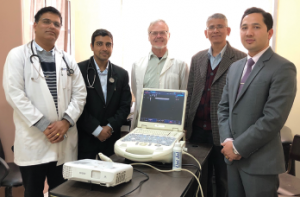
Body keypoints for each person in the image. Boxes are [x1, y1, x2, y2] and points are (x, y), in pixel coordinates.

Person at [2, 6, 87, 197]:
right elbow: (14, 94)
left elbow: (80, 94)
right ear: (35, 25)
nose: (52, 27)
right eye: (46, 22)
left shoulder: (67, 60)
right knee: (33, 192)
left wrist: (66, 122)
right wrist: (45, 126)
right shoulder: (18, 56)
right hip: (35, 142)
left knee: (62, 192)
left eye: (57, 24)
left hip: (63, 142)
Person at [218, 7, 297, 197]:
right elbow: (224, 108)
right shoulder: (235, 67)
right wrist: (228, 141)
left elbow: (273, 118)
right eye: (244, 27)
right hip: (232, 160)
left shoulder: (283, 68)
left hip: (260, 164)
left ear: (270, 32)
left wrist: (238, 147)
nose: (249, 32)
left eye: (256, 27)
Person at [185, 13, 246, 197]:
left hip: (224, 132)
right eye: (211, 27)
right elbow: (190, 93)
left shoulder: (240, 59)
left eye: (220, 26)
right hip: (197, 131)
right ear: (206, 33)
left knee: (222, 179)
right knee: (198, 177)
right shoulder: (197, 58)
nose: (215, 30)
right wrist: (185, 126)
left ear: (228, 31)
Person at [77, 29, 131, 159]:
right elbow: (76, 105)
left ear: (112, 47)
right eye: (99, 44)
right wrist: (96, 129)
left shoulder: (121, 74)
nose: (104, 48)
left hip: (111, 138)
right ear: (92, 46)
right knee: (85, 177)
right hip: (86, 137)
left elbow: (125, 106)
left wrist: (109, 127)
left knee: (111, 176)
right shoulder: (79, 70)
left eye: (108, 44)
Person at [131, 19, 189, 129]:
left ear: (169, 35)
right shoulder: (137, 65)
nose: (159, 36)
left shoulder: (181, 65)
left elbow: (184, 95)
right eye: (154, 33)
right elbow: (136, 91)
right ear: (149, 36)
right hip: (144, 123)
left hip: (170, 123)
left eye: (163, 32)